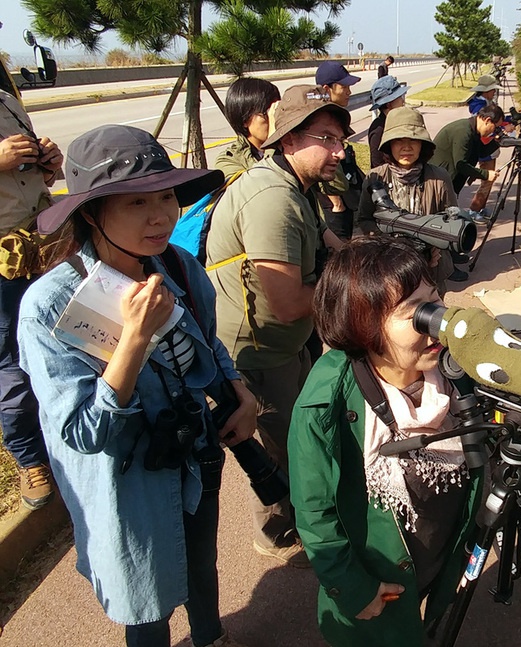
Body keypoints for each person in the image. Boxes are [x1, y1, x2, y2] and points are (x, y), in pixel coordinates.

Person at [17, 124, 258, 647]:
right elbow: (81, 433)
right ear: (90, 213)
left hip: (194, 454)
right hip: (128, 483)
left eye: (167, 196)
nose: (160, 216)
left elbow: (208, 342)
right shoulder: (50, 306)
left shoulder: (177, 264)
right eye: (135, 203)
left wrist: (239, 388)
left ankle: (210, 637)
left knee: (202, 567)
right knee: (144, 599)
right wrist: (133, 340)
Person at [289, 237, 483, 647]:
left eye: (435, 301)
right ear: (361, 326)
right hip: (376, 572)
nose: (437, 320)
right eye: (415, 313)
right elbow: (314, 512)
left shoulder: (454, 371)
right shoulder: (325, 403)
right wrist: (353, 590)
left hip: (439, 552)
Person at [206, 84, 352, 567]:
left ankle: (299, 517)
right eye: (327, 138)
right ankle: (277, 533)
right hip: (257, 352)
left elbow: (332, 243)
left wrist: (368, 260)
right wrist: (356, 294)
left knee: (301, 434)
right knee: (282, 447)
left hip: (286, 342)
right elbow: (289, 303)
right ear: (289, 139)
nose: (340, 149)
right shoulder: (273, 199)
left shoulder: (297, 185)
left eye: (341, 138)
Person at [0, 89, 63, 510]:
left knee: (63, 338)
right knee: (11, 362)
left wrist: (49, 165)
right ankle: (30, 459)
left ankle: (66, 436)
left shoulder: (6, 99)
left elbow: (35, 181)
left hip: (39, 243)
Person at [358, 107, 457, 294]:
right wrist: (386, 241)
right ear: (388, 145)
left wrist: (436, 245)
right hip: (389, 269)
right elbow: (364, 220)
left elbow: (453, 219)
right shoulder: (374, 178)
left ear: (422, 144)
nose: (406, 147)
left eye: (413, 140)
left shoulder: (439, 177)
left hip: (431, 268)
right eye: (398, 141)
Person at [428, 103, 504, 282]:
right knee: (444, 224)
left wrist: (497, 140)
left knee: (451, 221)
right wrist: (486, 174)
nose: (496, 129)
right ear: (486, 120)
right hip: (438, 185)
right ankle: (447, 268)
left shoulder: (473, 132)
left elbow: (479, 151)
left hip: (449, 183)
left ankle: (452, 255)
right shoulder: (463, 131)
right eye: (496, 126)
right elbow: (461, 164)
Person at [315, 61, 364, 241]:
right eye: (344, 87)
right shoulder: (320, 123)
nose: (349, 92)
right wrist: (336, 202)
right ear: (327, 89)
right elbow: (322, 162)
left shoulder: (334, 117)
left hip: (346, 196)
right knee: (339, 248)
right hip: (334, 203)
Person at [215, 77, 281, 177]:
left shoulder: (291, 144)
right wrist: (272, 144)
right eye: (266, 113)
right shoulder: (228, 161)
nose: (274, 119)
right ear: (244, 120)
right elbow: (263, 187)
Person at [466, 74, 506, 213]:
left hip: (487, 146)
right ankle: (474, 210)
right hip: (484, 146)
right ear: (486, 91)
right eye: (493, 90)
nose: (494, 92)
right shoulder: (480, 106)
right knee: (487, 179)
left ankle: (480, 208)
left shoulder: (483, 103)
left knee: (488, 180)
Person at [367, 75, 408, 168]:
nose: (403, 101)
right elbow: (377, 165)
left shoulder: (397, 122)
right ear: (389, 104)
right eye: (399, 97)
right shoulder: (378, 130)